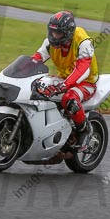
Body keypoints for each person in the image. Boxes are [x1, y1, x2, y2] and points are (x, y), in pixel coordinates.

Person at [31, 11, 99, 151]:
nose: (54, 36)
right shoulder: (49, 43)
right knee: (37, 89)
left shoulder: (83, 42)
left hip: (86, 82)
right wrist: (22, 69)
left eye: (58, 33)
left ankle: (84, 130)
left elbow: (82, 69)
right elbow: (36, 58)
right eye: (52, 32)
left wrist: (65, 85)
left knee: (69, 98)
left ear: (68, 32)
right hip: (63, 79)